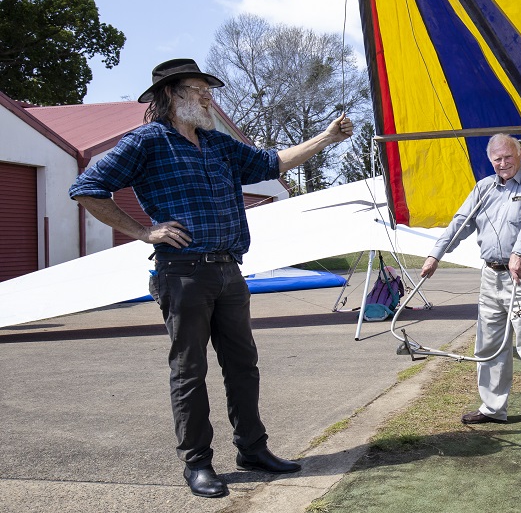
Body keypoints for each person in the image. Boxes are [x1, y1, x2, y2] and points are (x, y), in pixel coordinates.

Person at [69, 58, 353, 498]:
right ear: (170, 95)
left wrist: (328, 138)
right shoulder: (147, 142)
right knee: (190, 370)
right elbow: (87, 187)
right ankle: (197, 464)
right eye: (197, 89)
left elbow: (272, 162)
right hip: (182, 275)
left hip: (229, 271)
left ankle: (252, 450)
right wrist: (145, 231)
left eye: (209, 89)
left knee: (243, 365)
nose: (208, 97)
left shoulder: (217, 144)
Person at [420, 133, 521, 442]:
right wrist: (435, 254)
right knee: (489, 344)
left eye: (508, 156)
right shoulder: (484, 187)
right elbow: (460, 222)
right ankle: (493, 407)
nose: (502, 163)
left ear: (519, 154)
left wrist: (519, 252)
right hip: (491, 275)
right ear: (490, 160)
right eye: (497, 158)